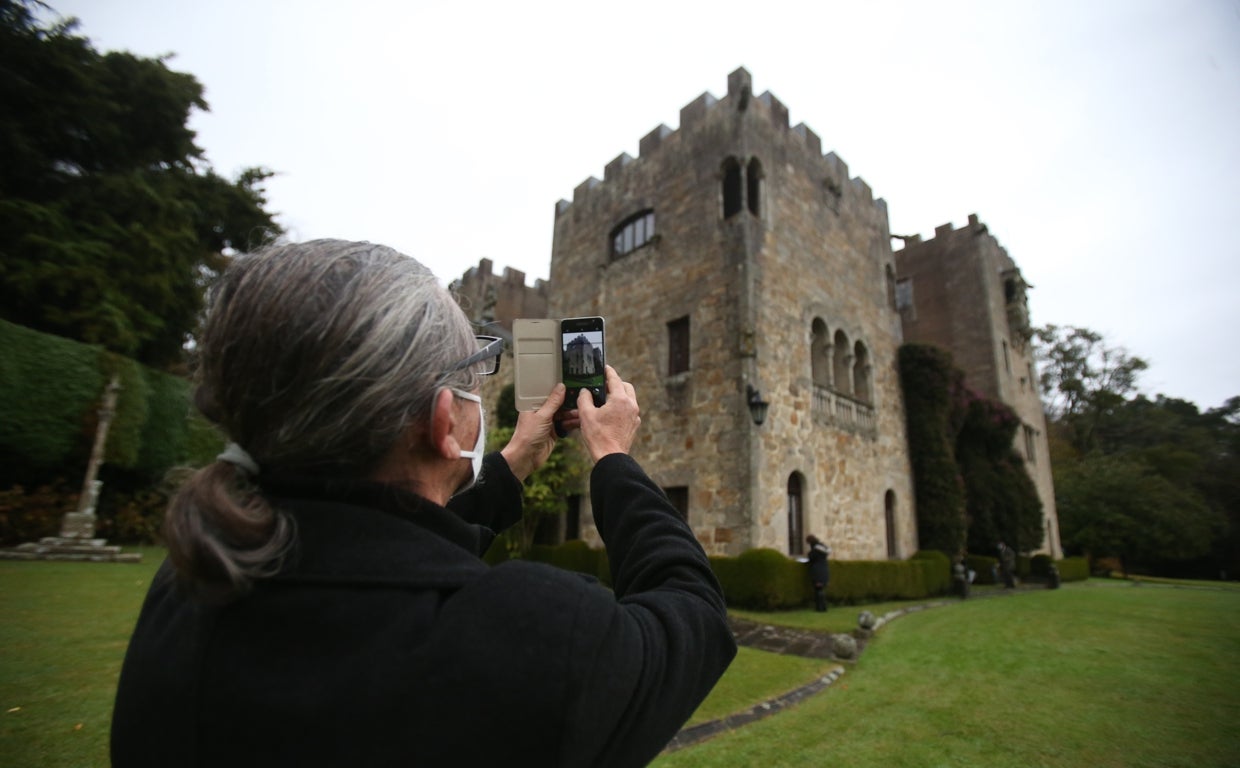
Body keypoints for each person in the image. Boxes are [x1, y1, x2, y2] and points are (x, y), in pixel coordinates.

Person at [110, 240, 736, 768]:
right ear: (445, 421)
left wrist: (512, 464)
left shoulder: (196, 577)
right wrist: (613, 455)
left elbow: (380, 550)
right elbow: (695, 612)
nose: (477, 395)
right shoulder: (527, 635)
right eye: (474, 375)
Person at [806, 534, 831, 612]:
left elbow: (811, 557)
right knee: (821, 589)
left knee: (818, 590)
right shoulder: (823, 548)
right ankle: (823, 607)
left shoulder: (815, 550)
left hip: (817, 571)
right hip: (824, 570)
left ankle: (819, 608)